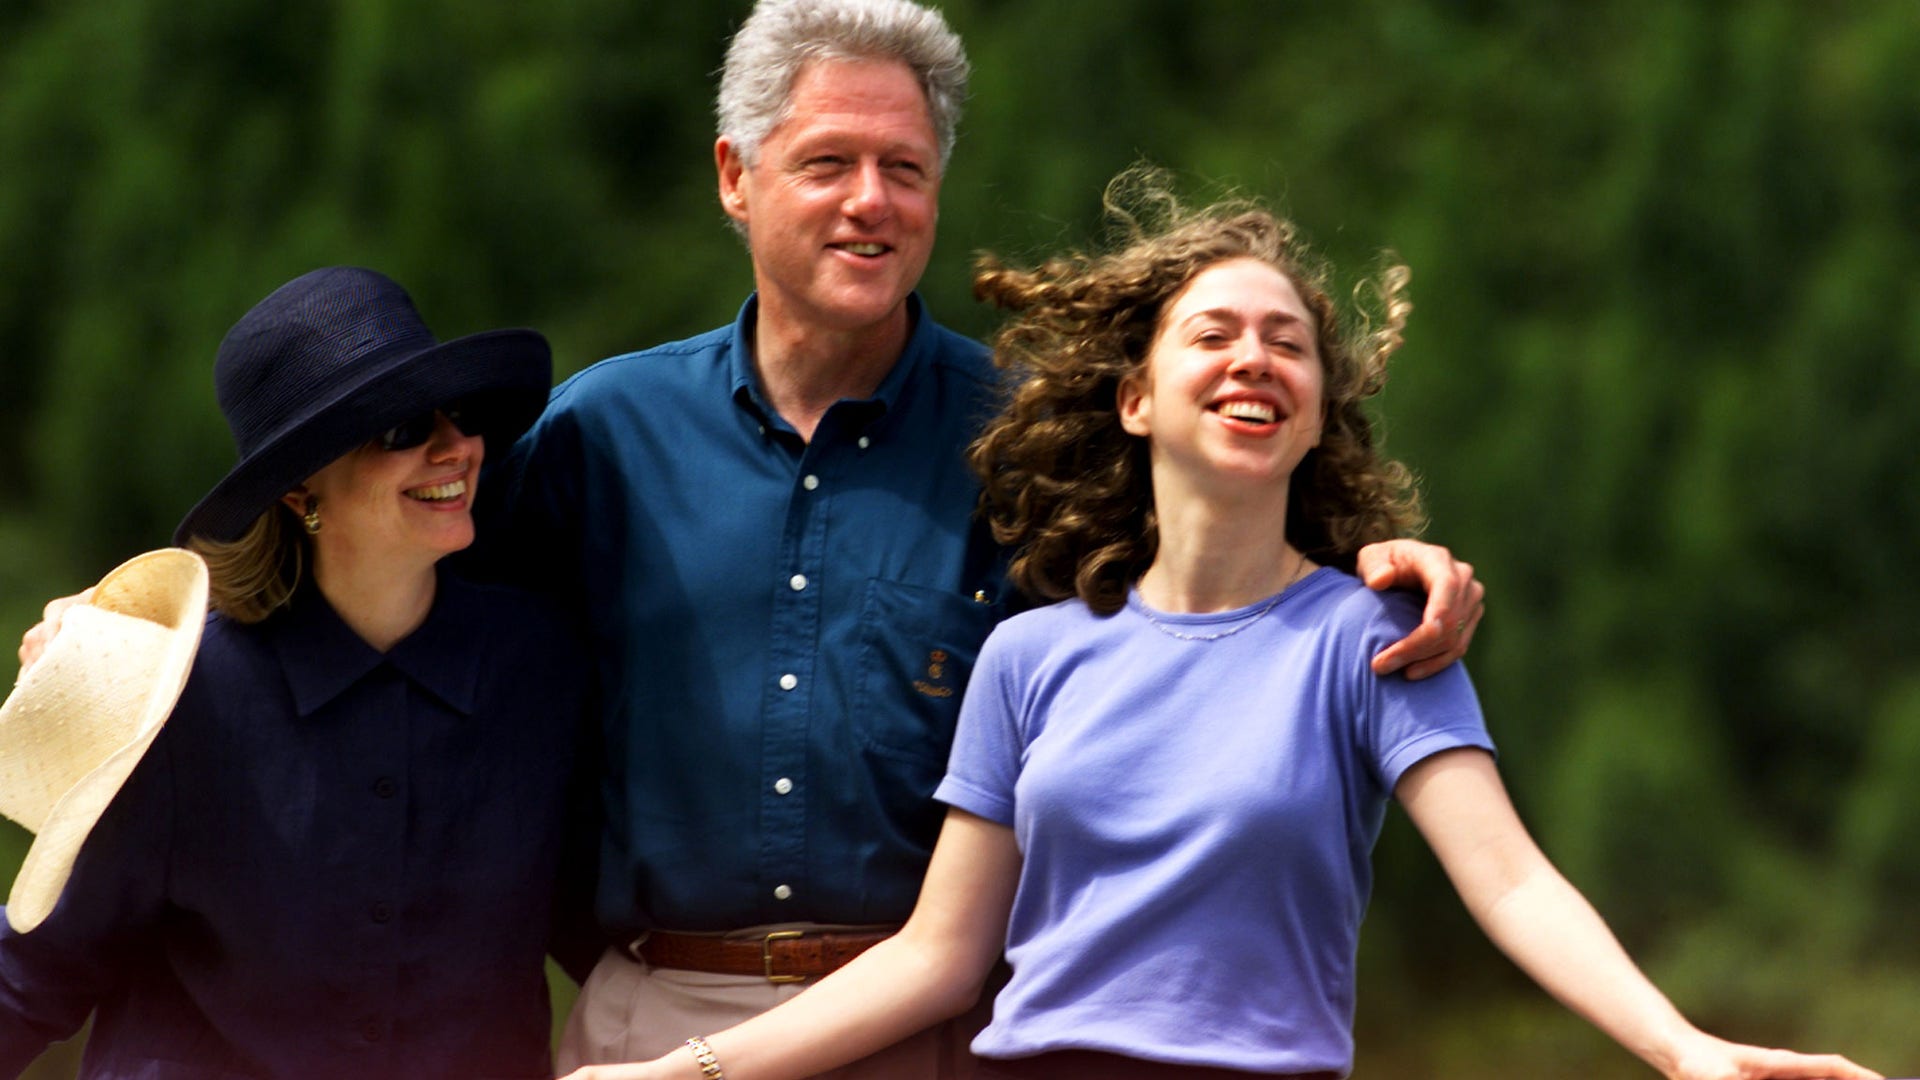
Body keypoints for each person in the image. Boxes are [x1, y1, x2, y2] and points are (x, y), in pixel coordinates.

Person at [557, 177, 1883, 1080]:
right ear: (1136, 399)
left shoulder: (1367, 639)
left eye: (1289, 343)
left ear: (1316, 410)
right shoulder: (1033, 655)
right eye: (1214, 335)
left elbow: (1513, 882)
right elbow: (938, 954)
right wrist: (692, 1070)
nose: (1254, 358)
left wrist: (1680, 1048)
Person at [469, 1, 1486, 1075]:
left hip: (935, 1023)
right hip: (650, 1024)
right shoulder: (602, 436)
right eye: (828, 163)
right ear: (736, 175)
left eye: (904, 169)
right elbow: (473, 702)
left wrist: (1377, 560)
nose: (872, 202)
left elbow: (1219, 583)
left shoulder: (1034, 442)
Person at [0, 267, 587, 1079]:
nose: (456, 446)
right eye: (404, 427)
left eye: (462, 414)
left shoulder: (546, 664)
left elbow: (614, 913)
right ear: (299, 489)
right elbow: (37, 970)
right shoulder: (177, 692)